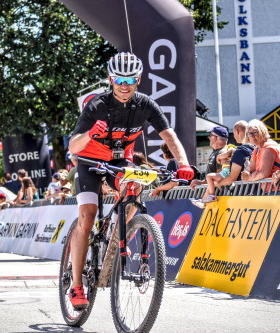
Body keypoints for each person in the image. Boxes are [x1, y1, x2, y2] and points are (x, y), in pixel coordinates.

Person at [67, 52, 194, 309]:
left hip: (119, 164)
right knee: (87, 216)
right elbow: (73, 146)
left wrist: (183, 164)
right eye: (119, 79)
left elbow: (169, 136)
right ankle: (76, 283)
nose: (124, 86)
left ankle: (117, 237)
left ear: (138, 80)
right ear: (110, 79)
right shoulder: (96, 105)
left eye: (130, 80)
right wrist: (91, 133)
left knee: (134, 190)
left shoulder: (145, 105)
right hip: (90, 164)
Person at [241, 119, 280, 192]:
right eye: (249, 133)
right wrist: (247, 173)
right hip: (269, 191)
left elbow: (264, 174)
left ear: (262, 132)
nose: (251, 136)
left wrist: (250, 178)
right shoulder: (257, 149)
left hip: (278, 190)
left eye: (254, 132)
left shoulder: (269, 148)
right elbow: (250, 168)